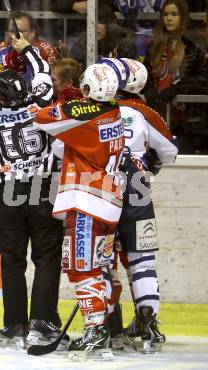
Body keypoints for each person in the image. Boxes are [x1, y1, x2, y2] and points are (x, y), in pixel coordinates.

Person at [0, 35, 65, 348]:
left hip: (9, 191)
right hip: (42, 186)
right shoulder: (41, 105)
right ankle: (44, 322)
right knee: (47, 257)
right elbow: (41, 71)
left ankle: (14, 326)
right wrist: (27, 50)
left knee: (12, 261)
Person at [33, 63, 122, 360]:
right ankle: (99, 329)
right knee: (97, 269)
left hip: (86, 200)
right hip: (108, 202)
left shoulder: (86, 118)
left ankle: (95, 331)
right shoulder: (114, 113)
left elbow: (41, 117)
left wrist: (68, 103)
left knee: (80, 269)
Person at [106, 58, 178, 352]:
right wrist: (148, 159)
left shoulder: (97, 109)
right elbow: (170, 151)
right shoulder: (144, 112)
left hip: (104, 190)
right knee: (142, 260)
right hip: (138, 189)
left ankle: (108, 325)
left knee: (103, 263)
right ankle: (148, 326)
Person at [142, 0, 208, 154]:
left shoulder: (193, 47)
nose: (169, 18)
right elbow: (143, 72)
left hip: (187, 118)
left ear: (183, 17)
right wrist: (149, 88)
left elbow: (204, 77)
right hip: (155, 112)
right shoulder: (153, 47)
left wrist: (177, 89)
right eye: (165, 14)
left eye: (174, 14)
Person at [0, 11, 58, 82]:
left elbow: (54, 80)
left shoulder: (45, 50)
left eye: (20, 31)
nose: (15, 36)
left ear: (32, 33)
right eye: (11, 31)